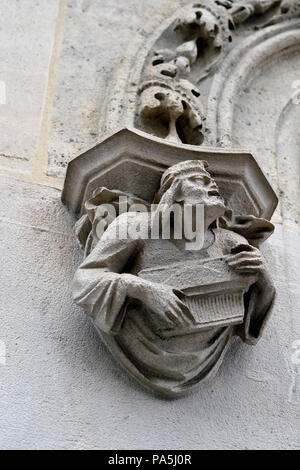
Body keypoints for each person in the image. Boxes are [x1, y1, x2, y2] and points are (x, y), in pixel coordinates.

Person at [73, 160, 275, 396]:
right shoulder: (135, 227)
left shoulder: (232, 243)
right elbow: (84, 279)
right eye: (200, 181)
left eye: (212, 182)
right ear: (174, 194)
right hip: (143, 337)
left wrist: (264, 279)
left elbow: (253, 309)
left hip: (204, 348)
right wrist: (143, 289)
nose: (213, 186)